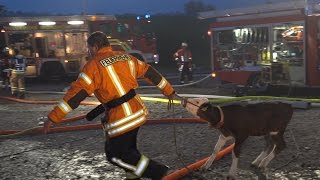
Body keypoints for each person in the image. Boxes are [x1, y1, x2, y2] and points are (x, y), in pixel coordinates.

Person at [44, 31, 176, 180]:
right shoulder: (125, 57)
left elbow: (75, 96)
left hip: (122, 118)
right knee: (129, 152)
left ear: (94, 46)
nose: (89, 52)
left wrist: (53, 118)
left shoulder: (93, 67)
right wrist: (169, 91)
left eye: (89, 49)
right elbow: (149, 72)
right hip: (137, 111)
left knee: (114, 156)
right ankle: (133, 176)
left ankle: (159, 172)